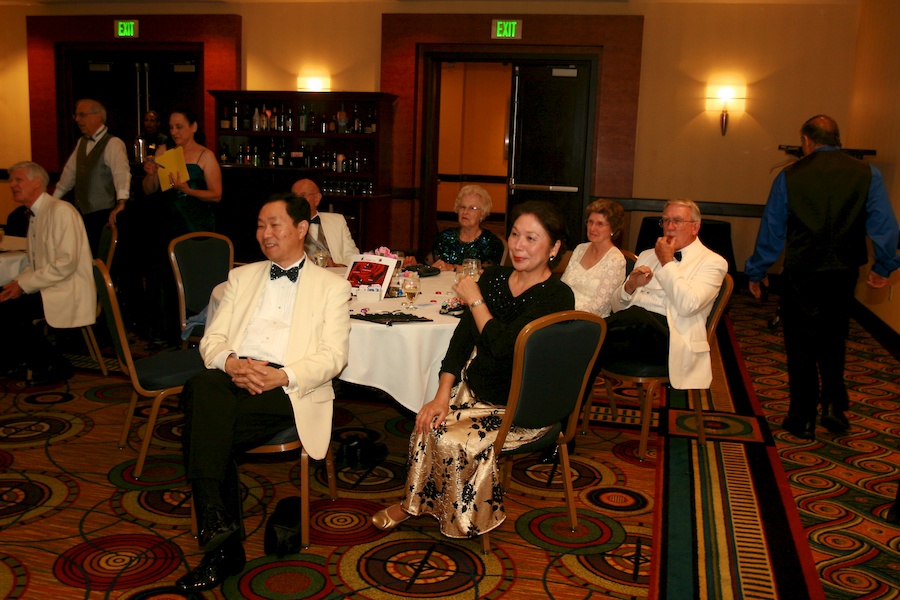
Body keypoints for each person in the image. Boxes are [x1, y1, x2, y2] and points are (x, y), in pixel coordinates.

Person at [174, 193, 351, 592]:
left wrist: (281, 376)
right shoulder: (241, 277)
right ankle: (219, 523)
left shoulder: (332, 287)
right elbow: (211, 340)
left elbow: (334, 357)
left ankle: (221, 539)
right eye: (259, 225)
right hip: (235, 375)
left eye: (274, 225)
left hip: (290, 389)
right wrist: (233, 362)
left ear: (301, 229)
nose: (264, 234)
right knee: (202, 384)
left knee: (206, 426)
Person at [371, 201, 575, 538]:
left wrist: (475, 299)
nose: (518, 246)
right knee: (427, 420)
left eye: (531, 238)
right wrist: (440, 396)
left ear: (554, 248)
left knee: (452, 440)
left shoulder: (557, 296)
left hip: (520, 405)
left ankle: (463, 520)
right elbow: (462, 339)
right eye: (514, 235)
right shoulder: (495, 277)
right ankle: (412, 504)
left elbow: (502, 346)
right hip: (477, 390)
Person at [745, 115, 900, 440]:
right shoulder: (867, 174)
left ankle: (801, 417)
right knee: (833, 339)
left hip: (802, 271)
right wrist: (883, 266)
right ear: (838, 139)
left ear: (806, 141)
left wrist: (757, 271)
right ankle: (834, 409)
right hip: (843, 272)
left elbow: (772, 231)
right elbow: (884, 225)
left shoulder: (789, 176)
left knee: (800, 344)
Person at [602, 199, 727, 391]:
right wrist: (630, 286)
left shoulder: (713, 262)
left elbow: (688, 306)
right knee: (593, 349)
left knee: (623, 323)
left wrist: (667, 261)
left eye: (677, 221)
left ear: (695, 227)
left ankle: (585, 338)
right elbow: (616, 308)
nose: (669, 227)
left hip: (671, 340)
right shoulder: (646, 255)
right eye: (665, 221)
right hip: (632, 334)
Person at [0, 161, 96, 385]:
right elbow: (35, 263)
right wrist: (17, 283)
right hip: (50, 284)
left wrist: (23, 286)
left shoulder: (60, 211)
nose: (12, 184)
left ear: (37, 183)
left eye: (18, 179)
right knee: (5, 297)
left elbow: (66, 263)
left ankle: (53, 364)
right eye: (11, 180)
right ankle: (15, 361)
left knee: (10, 312)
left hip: (68, 287)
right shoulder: (37, 213)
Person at [52, 99, 131, 255]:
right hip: (82, 213)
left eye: (82, 115)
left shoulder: (113, 143)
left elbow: (121, 173)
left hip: (102, 214)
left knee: (99, 257)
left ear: (98, 116)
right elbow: (68, 175)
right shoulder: (81, 142)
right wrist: (53, 201)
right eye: (76, 116)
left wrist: (121, 201)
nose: (78, 120)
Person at [142, 107, 222, 236]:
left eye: (179, 127)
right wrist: (150, 175)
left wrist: (188, 191)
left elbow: (216, 195)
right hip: (167, 221)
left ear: (193, 127)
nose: (174, 132)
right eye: (171, 127)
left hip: (196, 224)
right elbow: (148, 190)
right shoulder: (163, 151)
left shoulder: (206, 155)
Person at [561, 199, 627, 317]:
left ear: (613, 229)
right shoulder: (580, 249)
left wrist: (566, 314)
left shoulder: (616, 260)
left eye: (599, 224)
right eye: (590, 222)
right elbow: (563, 286)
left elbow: (598, 306)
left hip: (589, 321)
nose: (592, 228)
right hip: (563, 313)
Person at [428, 185, 505, 271]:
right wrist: (414, 264)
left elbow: (488, 274)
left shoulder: (492, 243)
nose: (465, 212)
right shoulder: (444, 237)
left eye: (472, 208)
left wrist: (453, 268)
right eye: (462, 207)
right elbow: (428, 265)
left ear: (482, 213)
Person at [291, 178, 360, 267]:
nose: (297, 201)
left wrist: (337, 265)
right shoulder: (286, 225)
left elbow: (352, 255)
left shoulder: (337, 221)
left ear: (317, 199)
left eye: (303, 196)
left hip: (334, 274)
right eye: (294, 197)